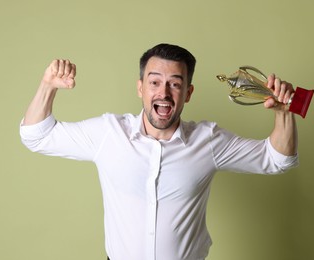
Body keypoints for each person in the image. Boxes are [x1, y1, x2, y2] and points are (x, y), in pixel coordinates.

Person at [20, 43, 298, 260]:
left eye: (175, 84)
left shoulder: (208, 141)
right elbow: (36, 135)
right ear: (140, 88)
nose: (163, 93)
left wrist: (284, 113)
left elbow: (278, 160)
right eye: (154, 82)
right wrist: (48, 85)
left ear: (188, 93)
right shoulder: (108, 134)